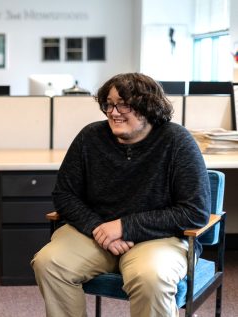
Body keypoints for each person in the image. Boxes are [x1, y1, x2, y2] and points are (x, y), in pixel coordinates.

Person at [31, 73, 211, 317]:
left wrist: (125, 227)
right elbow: (64, 195)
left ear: (149, 106)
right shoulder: (90, 137)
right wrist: (99, 228)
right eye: (109, 104)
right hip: (96, 235)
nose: (113, 112)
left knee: (151, 277)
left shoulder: (176, 141)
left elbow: (195, 211)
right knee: (49, 264)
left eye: (124, 104)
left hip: (157, 238)